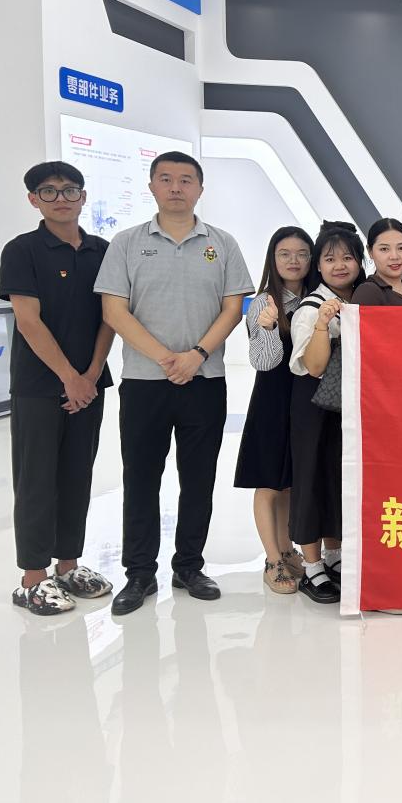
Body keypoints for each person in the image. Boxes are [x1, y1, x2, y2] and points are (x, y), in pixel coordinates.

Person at [95, 152, 253, 616]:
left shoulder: (221, 243)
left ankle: (189, 566)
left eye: (186, 180)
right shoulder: (126, 242)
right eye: (165, 179)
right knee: (140, 478)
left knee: (198, 479)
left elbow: (232, 307)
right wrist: (167, 358)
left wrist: (196, 355)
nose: (176, 187)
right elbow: (114, 311)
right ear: (151, 187)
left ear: (200, 189)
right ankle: (139, 573)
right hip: (145, 382)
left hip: (205, 380)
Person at [0, 161, 115, 615]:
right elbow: (28, 321)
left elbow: (111, 317)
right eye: (48, 191)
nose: (60, 198)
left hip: (90, 383)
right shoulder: (22, 250)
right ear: (34, 200)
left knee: (76, 475)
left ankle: (68, 566)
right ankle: (33, 578)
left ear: (84, 197)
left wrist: (91, 374)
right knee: (36, 480)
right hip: (38, 386)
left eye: (69, 190)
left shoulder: (103, 250)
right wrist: (70, 377)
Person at [233, 226, 315, 595]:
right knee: (268, 483)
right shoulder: (262, 303)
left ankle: (287, 549)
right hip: (271, 401)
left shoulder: (318, 299)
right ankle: (272, 560)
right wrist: (267, 328)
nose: (293, 260)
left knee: (290, 484)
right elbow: (264, 362)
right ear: (273, 259)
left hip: (305, 402)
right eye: (285, 254)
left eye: (301, 253)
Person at [289, 221, 365, 604]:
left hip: (345, 408)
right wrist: (322, 324)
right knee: (310, 481)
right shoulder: (311, 308)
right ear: (318, 265)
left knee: (337, 479)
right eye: (330, 259)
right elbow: (315, 366)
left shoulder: (363, 299)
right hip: (313, 407)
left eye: (347, 257)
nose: (339, 265)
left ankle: (334, 557)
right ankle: (312, 567)